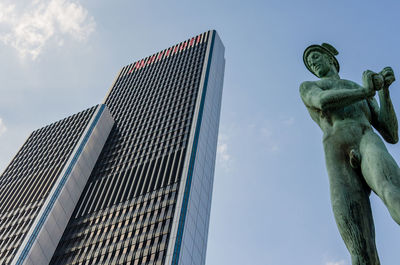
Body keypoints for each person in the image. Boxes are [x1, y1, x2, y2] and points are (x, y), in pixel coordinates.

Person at [300, 43, 400, 265]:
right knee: (360, 247)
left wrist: (383, 91)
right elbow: (322, 102)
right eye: (309, 62)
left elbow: (391, 134)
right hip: (336, 151)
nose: (313, 63)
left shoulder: (357, 87)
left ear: (331, 60)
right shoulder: (309, 86)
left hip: (365, 137)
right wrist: (366, 91)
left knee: (391, 190)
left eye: (315, 57)